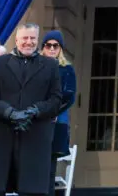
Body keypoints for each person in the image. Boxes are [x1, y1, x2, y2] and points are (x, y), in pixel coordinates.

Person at [0, 24, 62, 196]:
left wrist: (34, 111)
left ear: (37, 40)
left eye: (33, 38)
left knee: (32, 190)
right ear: (17, 40)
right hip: (0, 133)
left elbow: (56, 100)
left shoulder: (50, 65)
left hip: (34, 134)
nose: (29, 42)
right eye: (25, 38)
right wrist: (9, 112)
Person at [41, 31, 75, 196]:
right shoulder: (36, 67)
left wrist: (52, 112)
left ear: (60, 48)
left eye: (56, 45)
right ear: (43, 48)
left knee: (50, 166)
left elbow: (69, 96)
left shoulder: (67, 69)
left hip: (57, 121)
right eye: (48, 45)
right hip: (37, 121)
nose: (52, 48)